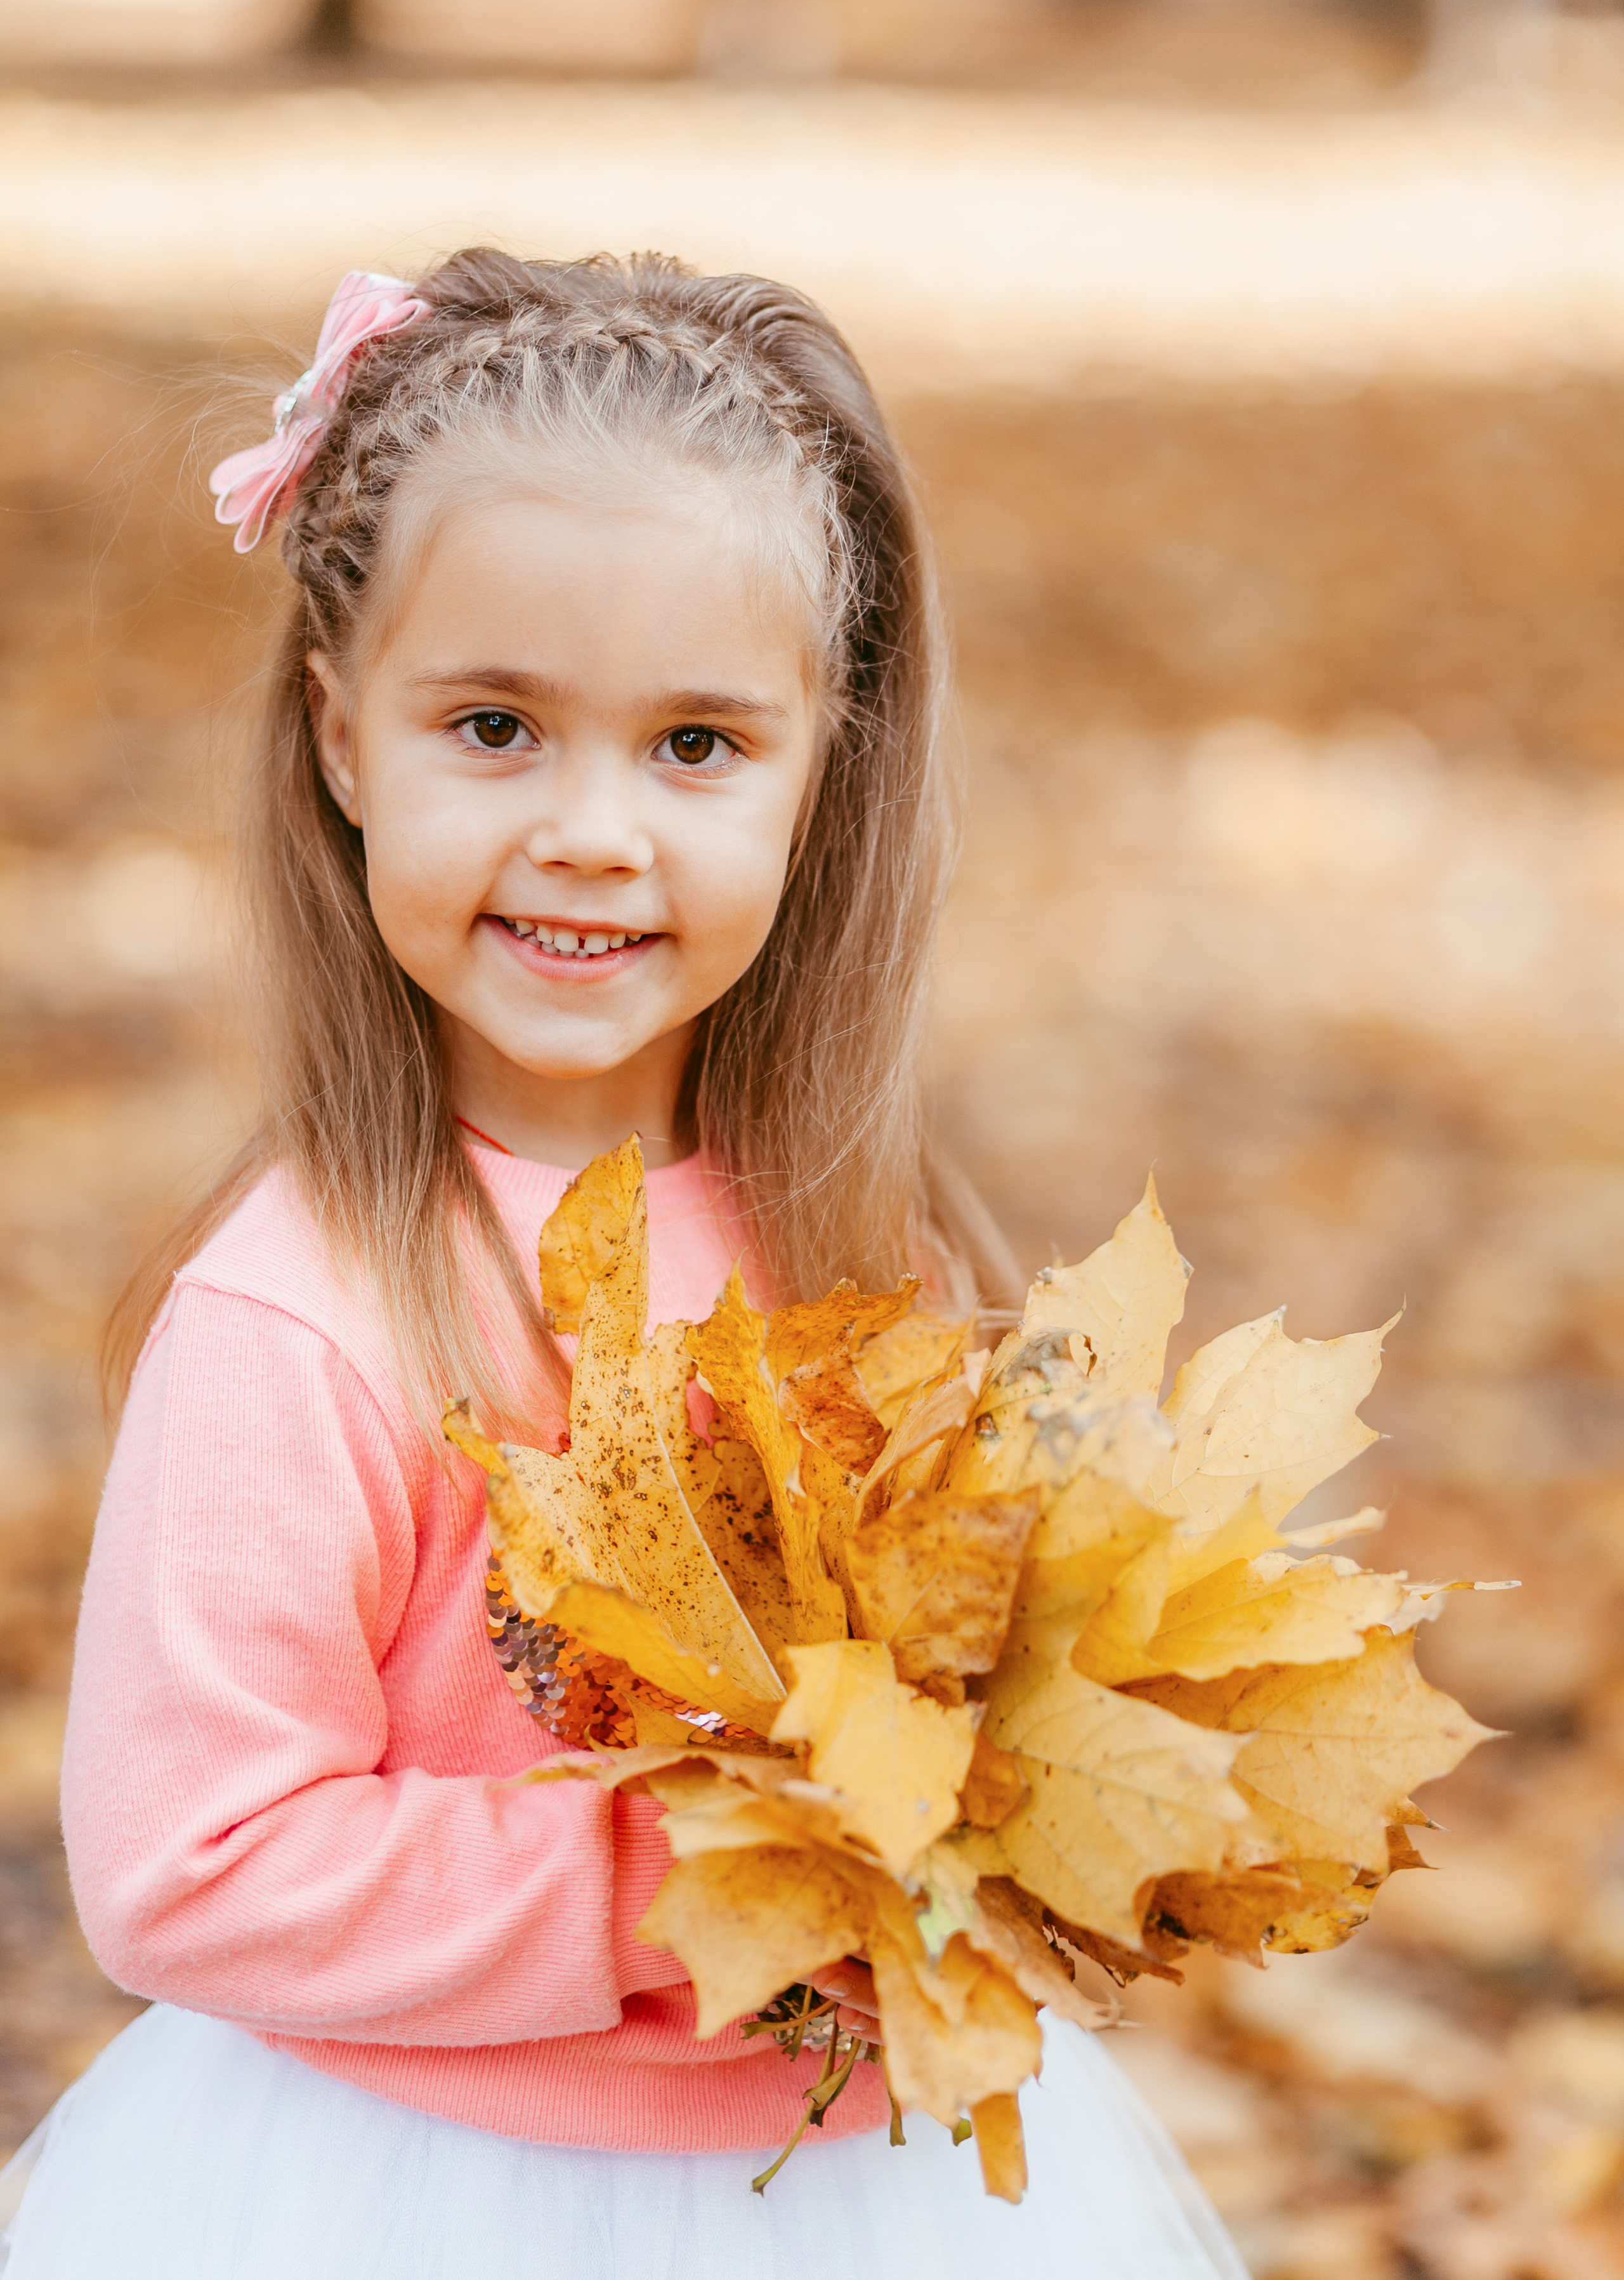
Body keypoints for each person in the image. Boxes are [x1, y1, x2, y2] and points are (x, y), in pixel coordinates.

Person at [0, 253, 1248, 2279]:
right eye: (495, 726)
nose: (594, 830)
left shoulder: (866, 1247)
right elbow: (188, 1866)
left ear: (821, 768)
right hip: (411, 2195)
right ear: (340, 739)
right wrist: (686, 1873)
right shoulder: (309, 1315)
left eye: (695, 747)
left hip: (858, 2187)